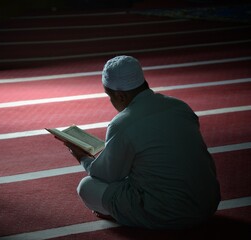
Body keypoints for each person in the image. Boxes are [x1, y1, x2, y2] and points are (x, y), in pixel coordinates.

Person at [64, 55, 221, 229]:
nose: (111, 102)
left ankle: (122, 215)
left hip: (169, 213)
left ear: (120, 96)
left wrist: (82, 157)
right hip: (208, 204)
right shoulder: (180, 106)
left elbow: (105, 176)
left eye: (110, 96)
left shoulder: (123, 122)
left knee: (87, 186)